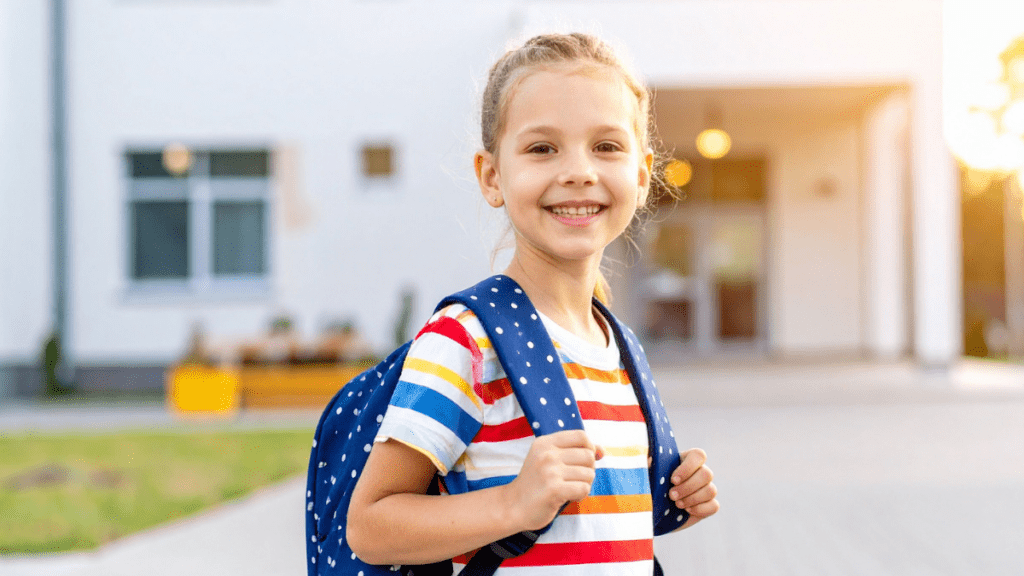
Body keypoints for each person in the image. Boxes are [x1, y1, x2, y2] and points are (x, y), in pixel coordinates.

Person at [347, 32, 719, 574]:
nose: (577, 171)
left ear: (641, 177)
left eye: (607, 146)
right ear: (492, 176)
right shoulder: (466, 341)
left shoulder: (622, 348)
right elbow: (371, 528)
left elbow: (593, 532)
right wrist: (512, 503)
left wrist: (675, 501)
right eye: (542, 148)